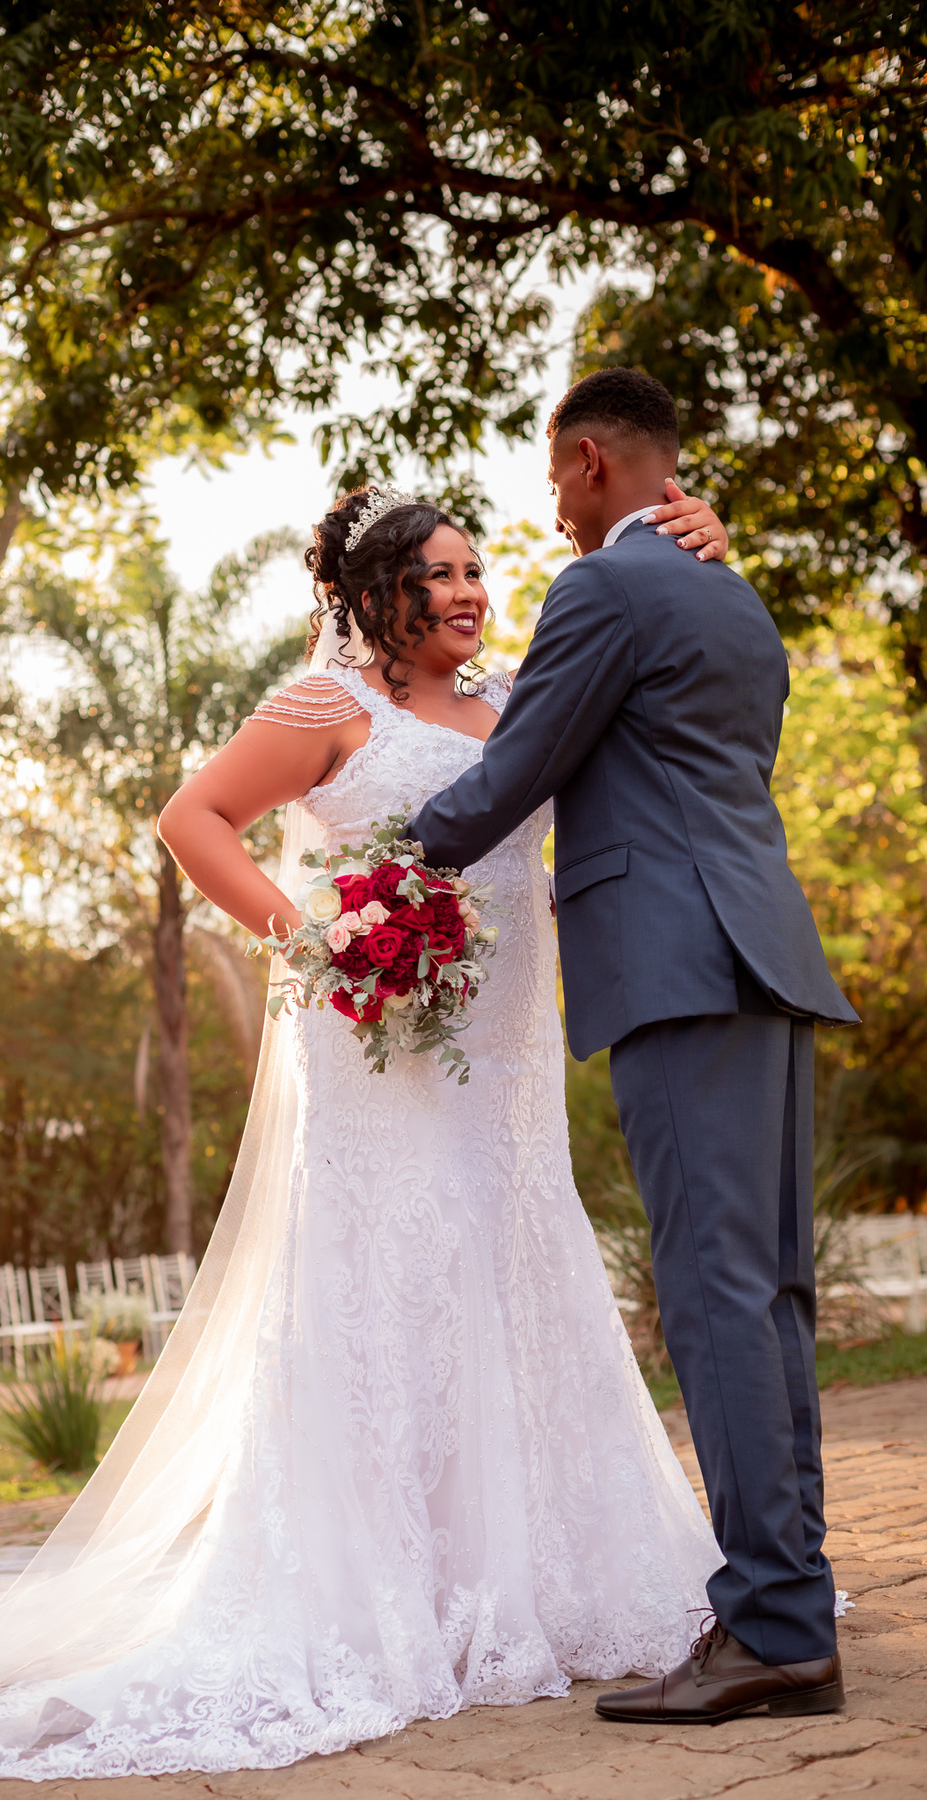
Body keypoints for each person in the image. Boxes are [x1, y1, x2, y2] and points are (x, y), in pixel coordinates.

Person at [0, 477, 730, 1778]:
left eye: (480, 569)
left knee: (511, 1262)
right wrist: (312, 934)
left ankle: (535, 1573)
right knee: (397, 1281)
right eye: (441, 573)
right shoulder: (329, 704)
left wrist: (690, 534)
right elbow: (193, 819)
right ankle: (387, 1589)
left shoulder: (516, 697)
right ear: (374, 594)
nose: (473, 592)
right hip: (374, 1038)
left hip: (501, 1047)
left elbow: (631, 675)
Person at [408, 367, 858, 1725]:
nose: (551, 508)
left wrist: (385, 861)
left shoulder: (606, 586)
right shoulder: (733, 593)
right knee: (769, 1292)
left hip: (675, 966)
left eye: (555, 478)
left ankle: (775, 1626)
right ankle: (789, 1607)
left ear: (596, 460)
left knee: (718, 1296)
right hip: (764, 954)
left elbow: (522, 762)